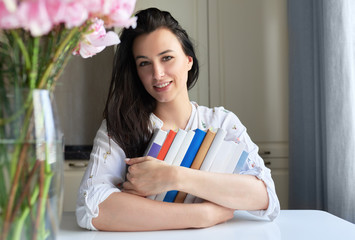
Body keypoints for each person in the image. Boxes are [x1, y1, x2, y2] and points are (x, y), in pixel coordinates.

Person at [76, 7, 280, 231]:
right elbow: (91, 206)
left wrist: (174, 176)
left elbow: (265, 197)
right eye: (144, 63)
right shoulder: (119, 128)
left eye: (167, 58)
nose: (158, 73)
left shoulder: (222, 123)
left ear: (188, 61)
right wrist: (201, 215)